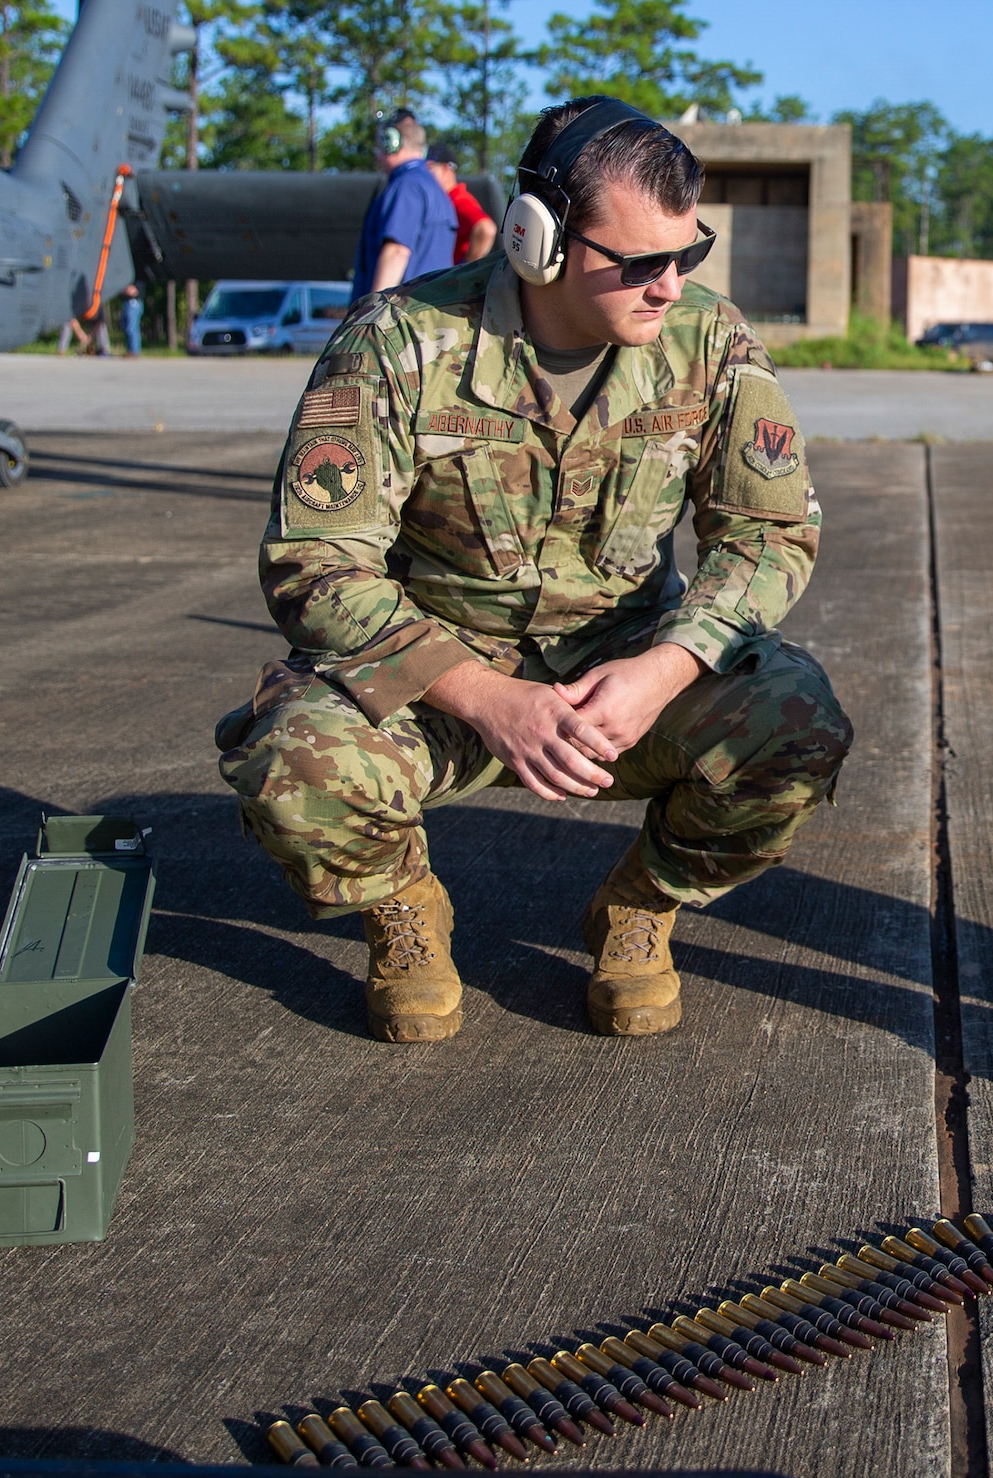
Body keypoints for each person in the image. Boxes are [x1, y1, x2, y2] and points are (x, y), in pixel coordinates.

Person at [218, 96, 850, 1046]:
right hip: (434, 675)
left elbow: (769, 534)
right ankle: (402, 906)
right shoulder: (400, 342)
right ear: (536, 240)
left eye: (690, 254)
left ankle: (641, 905)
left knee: (795, 723)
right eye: (639, 262)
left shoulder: (708, 342)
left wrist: (667, 668)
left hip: (620, 677)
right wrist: (479, 693)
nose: (670, 286)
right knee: (292, 758)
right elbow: (316, 560)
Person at [350, 110, 459, 301]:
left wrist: (370, 316)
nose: (378, 156)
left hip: (400, 318)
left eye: (379, 148)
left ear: (392, 144)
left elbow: (397, 252)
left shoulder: (406, 186)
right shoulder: (434, 189)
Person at [426, 142, 498, 263]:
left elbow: (485, 229)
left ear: (445, 169)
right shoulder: (442, 201)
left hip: (448, 279)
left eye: (429, 169)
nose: (424, 175)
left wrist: (465, 272)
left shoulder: (458, 200)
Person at [120, 283, 144, 357]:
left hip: (134, 303)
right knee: (127, 327)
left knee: (132, 327)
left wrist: (128, 290)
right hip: (128, 303)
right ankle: (131, 349)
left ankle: (134, 351)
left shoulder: (139, 277)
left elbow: (133, 291)